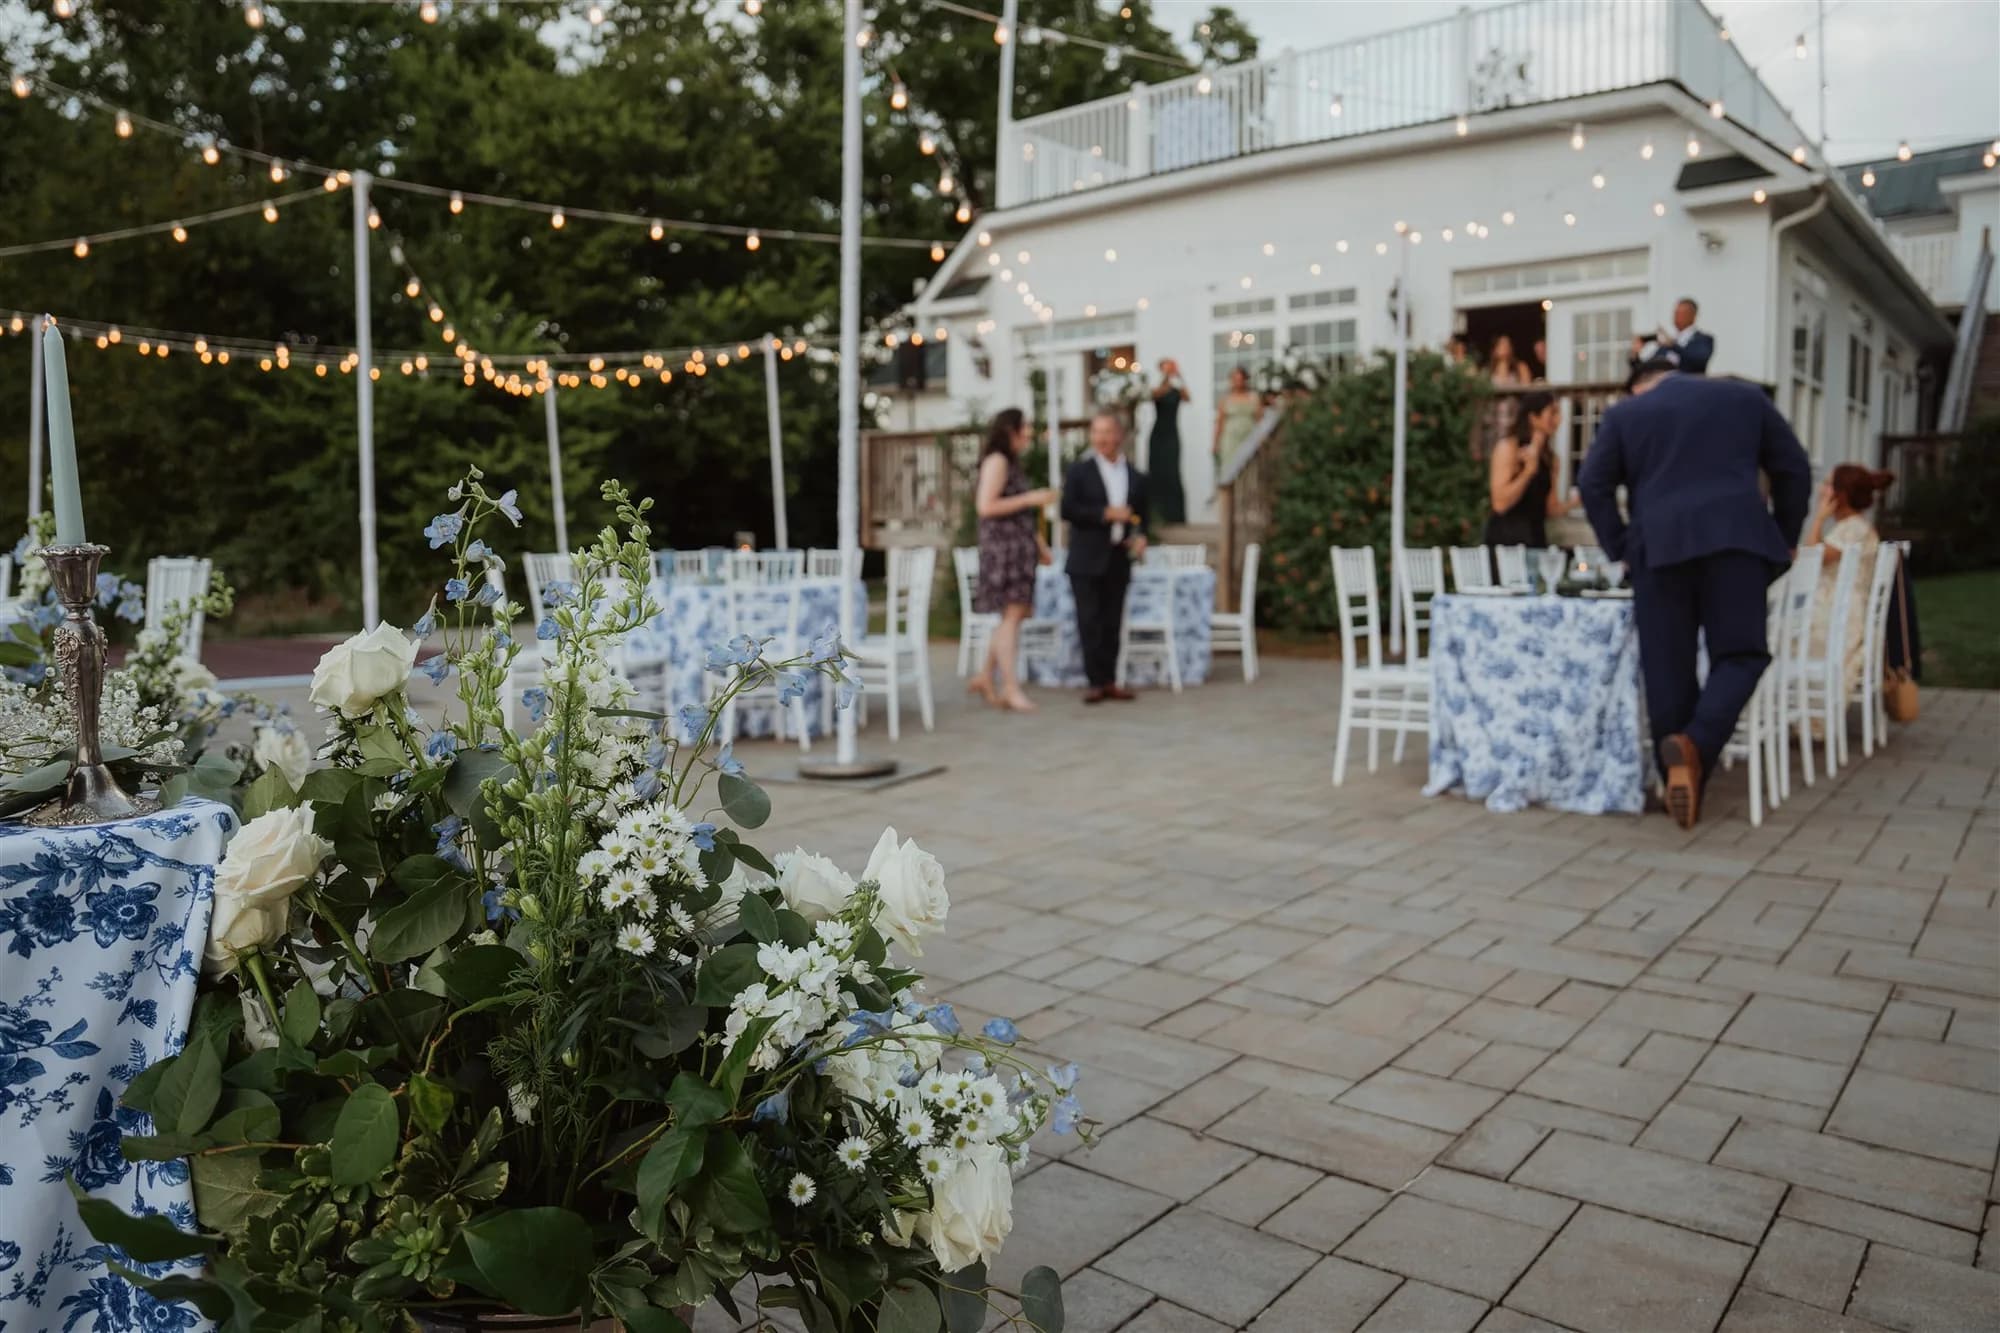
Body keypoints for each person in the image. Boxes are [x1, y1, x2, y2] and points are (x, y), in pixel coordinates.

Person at [1578, 359, 1812, 829]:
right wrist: (1783, 536)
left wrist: (1621, 546)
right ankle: (1697, 746)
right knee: (1741, 655)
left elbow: (1592, 484)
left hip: (1658, 549)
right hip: (1736, 543)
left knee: (1669, 670)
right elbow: (1794, 470)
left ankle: (1677, 777)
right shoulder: (1745, 398)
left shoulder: (1627, 414)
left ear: (1643, 384)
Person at [969, 408, 1058, 713]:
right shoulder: (997, 461)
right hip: (1004, 551)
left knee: (1013, 616)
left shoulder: (1010, 463)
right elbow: (986, 506)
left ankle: (984, 675)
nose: (1030, 433)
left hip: (1018, 549)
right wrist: (1030, 498)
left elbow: (1019, 517)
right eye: (1026, 427)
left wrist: (1039, 546)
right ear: (1011, 431)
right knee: (1011, 617)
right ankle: (1010, 687)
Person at [1062, 408, 1151, 704]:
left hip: (1117, 558)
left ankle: (1112, 679)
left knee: (1113, 621)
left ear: (1119, 436)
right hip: (1086, 559)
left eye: (1106, 432)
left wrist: (1140, 539)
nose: (1101, 438)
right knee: (1089, 621)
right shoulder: (1079, 472)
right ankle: (1094, 681)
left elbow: (1143, 517)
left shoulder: (1137, 476)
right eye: (1096, 432)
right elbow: (1068, 510)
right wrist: (1105, 514)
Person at [1802, 463, 1894, 701]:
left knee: (1771, 634)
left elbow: (1812, 558)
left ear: (1839, 495)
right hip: (1841, 613)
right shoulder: (1853, 528)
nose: (1822, 489)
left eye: (1828, 484)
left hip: (1838, 619)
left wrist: (1818, 519)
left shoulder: (1852, 529)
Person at [1483, 390, 1577, 549]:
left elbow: (1550, 508)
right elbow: (1500, 504)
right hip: (1507, 542)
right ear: (1533, 417)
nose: (1558, 419)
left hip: (1536, 538)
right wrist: (1527, 472)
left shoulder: (1551, 458)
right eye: (1552, 413)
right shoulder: (1508, 448)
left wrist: (1576, 502)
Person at [1149, 359, 1190, 525]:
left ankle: (1175, 515)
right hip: (1158, 433)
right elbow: (1154, 395)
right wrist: (1166, 379)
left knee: (1173, 472)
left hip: (1172, 434)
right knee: (1158, 472)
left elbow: (1188, 398)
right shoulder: (1159, 387)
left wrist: (1180, 378)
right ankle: (1158, 514)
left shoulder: (1177, 389)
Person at [1630, 298, 1714, 376]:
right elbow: (1647, 370)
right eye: (1675, 313)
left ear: (1693, 315)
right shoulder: (1667, 345)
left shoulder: (1703, 339)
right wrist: (1636, 355)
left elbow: (1698, 361)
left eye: (1681, 313)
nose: (1676, 317)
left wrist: (1674, 346)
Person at [1212, 366, 1262, 482]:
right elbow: (1220, 422)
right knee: (1230, 468)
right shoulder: (1225, 399)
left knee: (1249, 468)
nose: (1237, 382)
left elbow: (1259, 420)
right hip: (1230, 438)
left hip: (1249, 436)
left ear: (1245, 380)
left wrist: (1260, 439)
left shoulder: (1254, 397)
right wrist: (1215, 443)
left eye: (1240, 379)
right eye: (1234, 379)